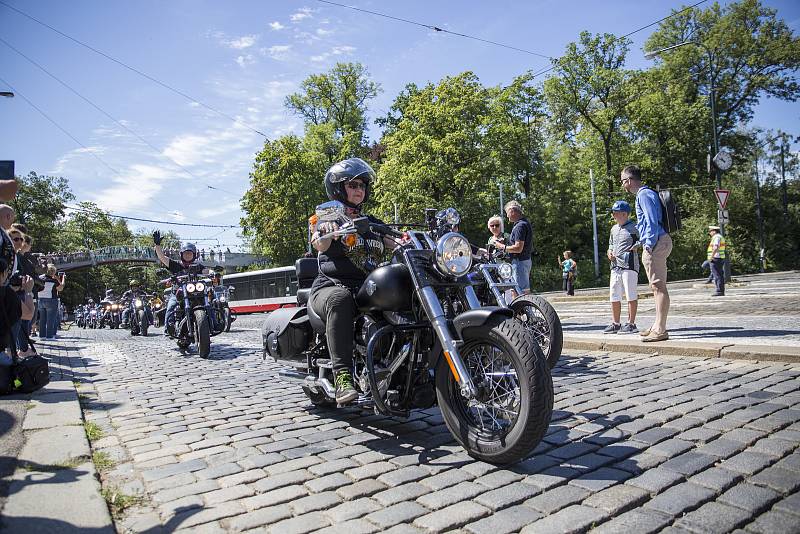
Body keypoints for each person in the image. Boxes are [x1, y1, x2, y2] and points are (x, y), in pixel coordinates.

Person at [309, 158, 397, 405]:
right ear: (338, 188)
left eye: (363, 185)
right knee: (340, 299)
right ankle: (343, 378)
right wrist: (325, 232)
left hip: (366, 289)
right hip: (330, 287)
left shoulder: (373, 223)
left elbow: (396, 240)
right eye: (354, 184)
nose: (360, 190)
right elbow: (320, 243)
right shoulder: (327, 217)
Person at [621, 165, 672, 342]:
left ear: (628, 181)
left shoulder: (643, 194)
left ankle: (660, 329)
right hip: (657, 241)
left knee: (658, 287)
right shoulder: (646, 194)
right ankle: (658, 324)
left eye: (622, 181)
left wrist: (648, 244)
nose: (622, 185)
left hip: (656, 242)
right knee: (656, 286)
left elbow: (651, 221)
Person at [154, 233, 206, 336]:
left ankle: (214, 323)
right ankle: (168, 329)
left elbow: (206, 271)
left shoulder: (197, 266)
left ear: (194, 255)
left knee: (208, 301)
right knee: (171, 306)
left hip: (195, 292)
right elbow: (162, 257)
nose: (188, 255)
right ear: (181, 254)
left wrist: (212, 272)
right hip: (178, 292)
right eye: (186, 253)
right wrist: (157, 245)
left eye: (190, 254)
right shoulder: (176, 265)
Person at [604, 201, 640, 334]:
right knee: (614, 294)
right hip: (615, 266)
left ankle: (631, 324)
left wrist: (638, 245)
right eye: (613, 213)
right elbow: (611, 244)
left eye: (615, 213)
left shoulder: (635, 227)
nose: (613, 215)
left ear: (624, 214)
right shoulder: (613, 228)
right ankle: (616, 323)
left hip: (629, 265)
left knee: (630, 294)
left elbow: (645, 238)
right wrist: (609, 251)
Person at [494, 200, 533, 295]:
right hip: (523, 261)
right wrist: (507, 243)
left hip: (519, 262)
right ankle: (522, 309)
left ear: (512, 211)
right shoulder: (524, 223)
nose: (507, 216)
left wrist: (502, 246)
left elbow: (518, 248)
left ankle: (520, 310)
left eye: (507, 213)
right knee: (520, 291)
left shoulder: (520, 226)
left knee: (519, 293)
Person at [36, 264, 64, 339]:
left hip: (40, 299)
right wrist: (60, 279)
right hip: (51, 300)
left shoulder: (39, 278)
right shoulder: (54, 280)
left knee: (42, 319)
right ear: (53, 272)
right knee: (50, 319)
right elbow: (60, 288)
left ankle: (42, 335)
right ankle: (49, 336)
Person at [707, 225, 726, 297]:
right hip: (719, 257)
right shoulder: (720, 237)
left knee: (717, 275)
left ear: (714, 231)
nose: (709, 233)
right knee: (719, 275)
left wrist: (711, 257)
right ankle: (720, 290)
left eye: (710, 231)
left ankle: (719, 291)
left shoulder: (716, 237)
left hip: (716, 258)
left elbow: (715, 247)